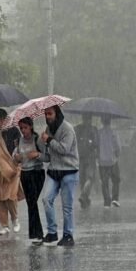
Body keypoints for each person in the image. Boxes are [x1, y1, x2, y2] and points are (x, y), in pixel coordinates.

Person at [39, 105, 79, 247]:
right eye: (46, 114)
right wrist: (39, 152)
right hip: (54, 170)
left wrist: (49, 140)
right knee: (46, 199)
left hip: (69, 171)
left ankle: (68, 235)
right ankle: (52, 232)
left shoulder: (67, 128)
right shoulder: (48, 129)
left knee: (67, 206)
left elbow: (64, 149)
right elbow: (48, 156)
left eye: (50, 114)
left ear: (57, 113)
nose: (48, 117)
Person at [0, 108, 23, 236]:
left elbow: (19, 148)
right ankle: (4, 225)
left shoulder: (14, 131)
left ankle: (15, 219)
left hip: (12, 167)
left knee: (10, 195)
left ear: (2, 118)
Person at [14, 117, 48, 244]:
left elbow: (47, 157)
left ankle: (38, 233)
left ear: (31, 127)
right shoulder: (18, 141)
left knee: (32, 202)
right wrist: (16, 157)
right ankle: (36, 234)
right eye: (21, 128)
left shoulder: (37, 139)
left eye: (25, 128)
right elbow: (15, 157)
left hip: (37, 174)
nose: (23, 131)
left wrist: (37, 155)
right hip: (25, 174)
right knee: (30, 203)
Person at [98, 116, 122, 208]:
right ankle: (115, 199)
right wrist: (117, 154)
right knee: (116, 180)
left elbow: (96, 145)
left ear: (102, 121)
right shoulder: (113, 132)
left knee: (104, 182)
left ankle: (106, 201)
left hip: (102, 161)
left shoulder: (99, 133)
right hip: (113, 161)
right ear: (110, 122)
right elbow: (118, 147)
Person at [75, 114, 98, 209]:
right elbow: (96, 143)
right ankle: (84, 196)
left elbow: (74, 142)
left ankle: (85, 201)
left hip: (80, 157)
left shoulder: (77, 129)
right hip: (90, 157)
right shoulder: (93, 129)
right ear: (90, 119)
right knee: (90, 178)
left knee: (83, 179)